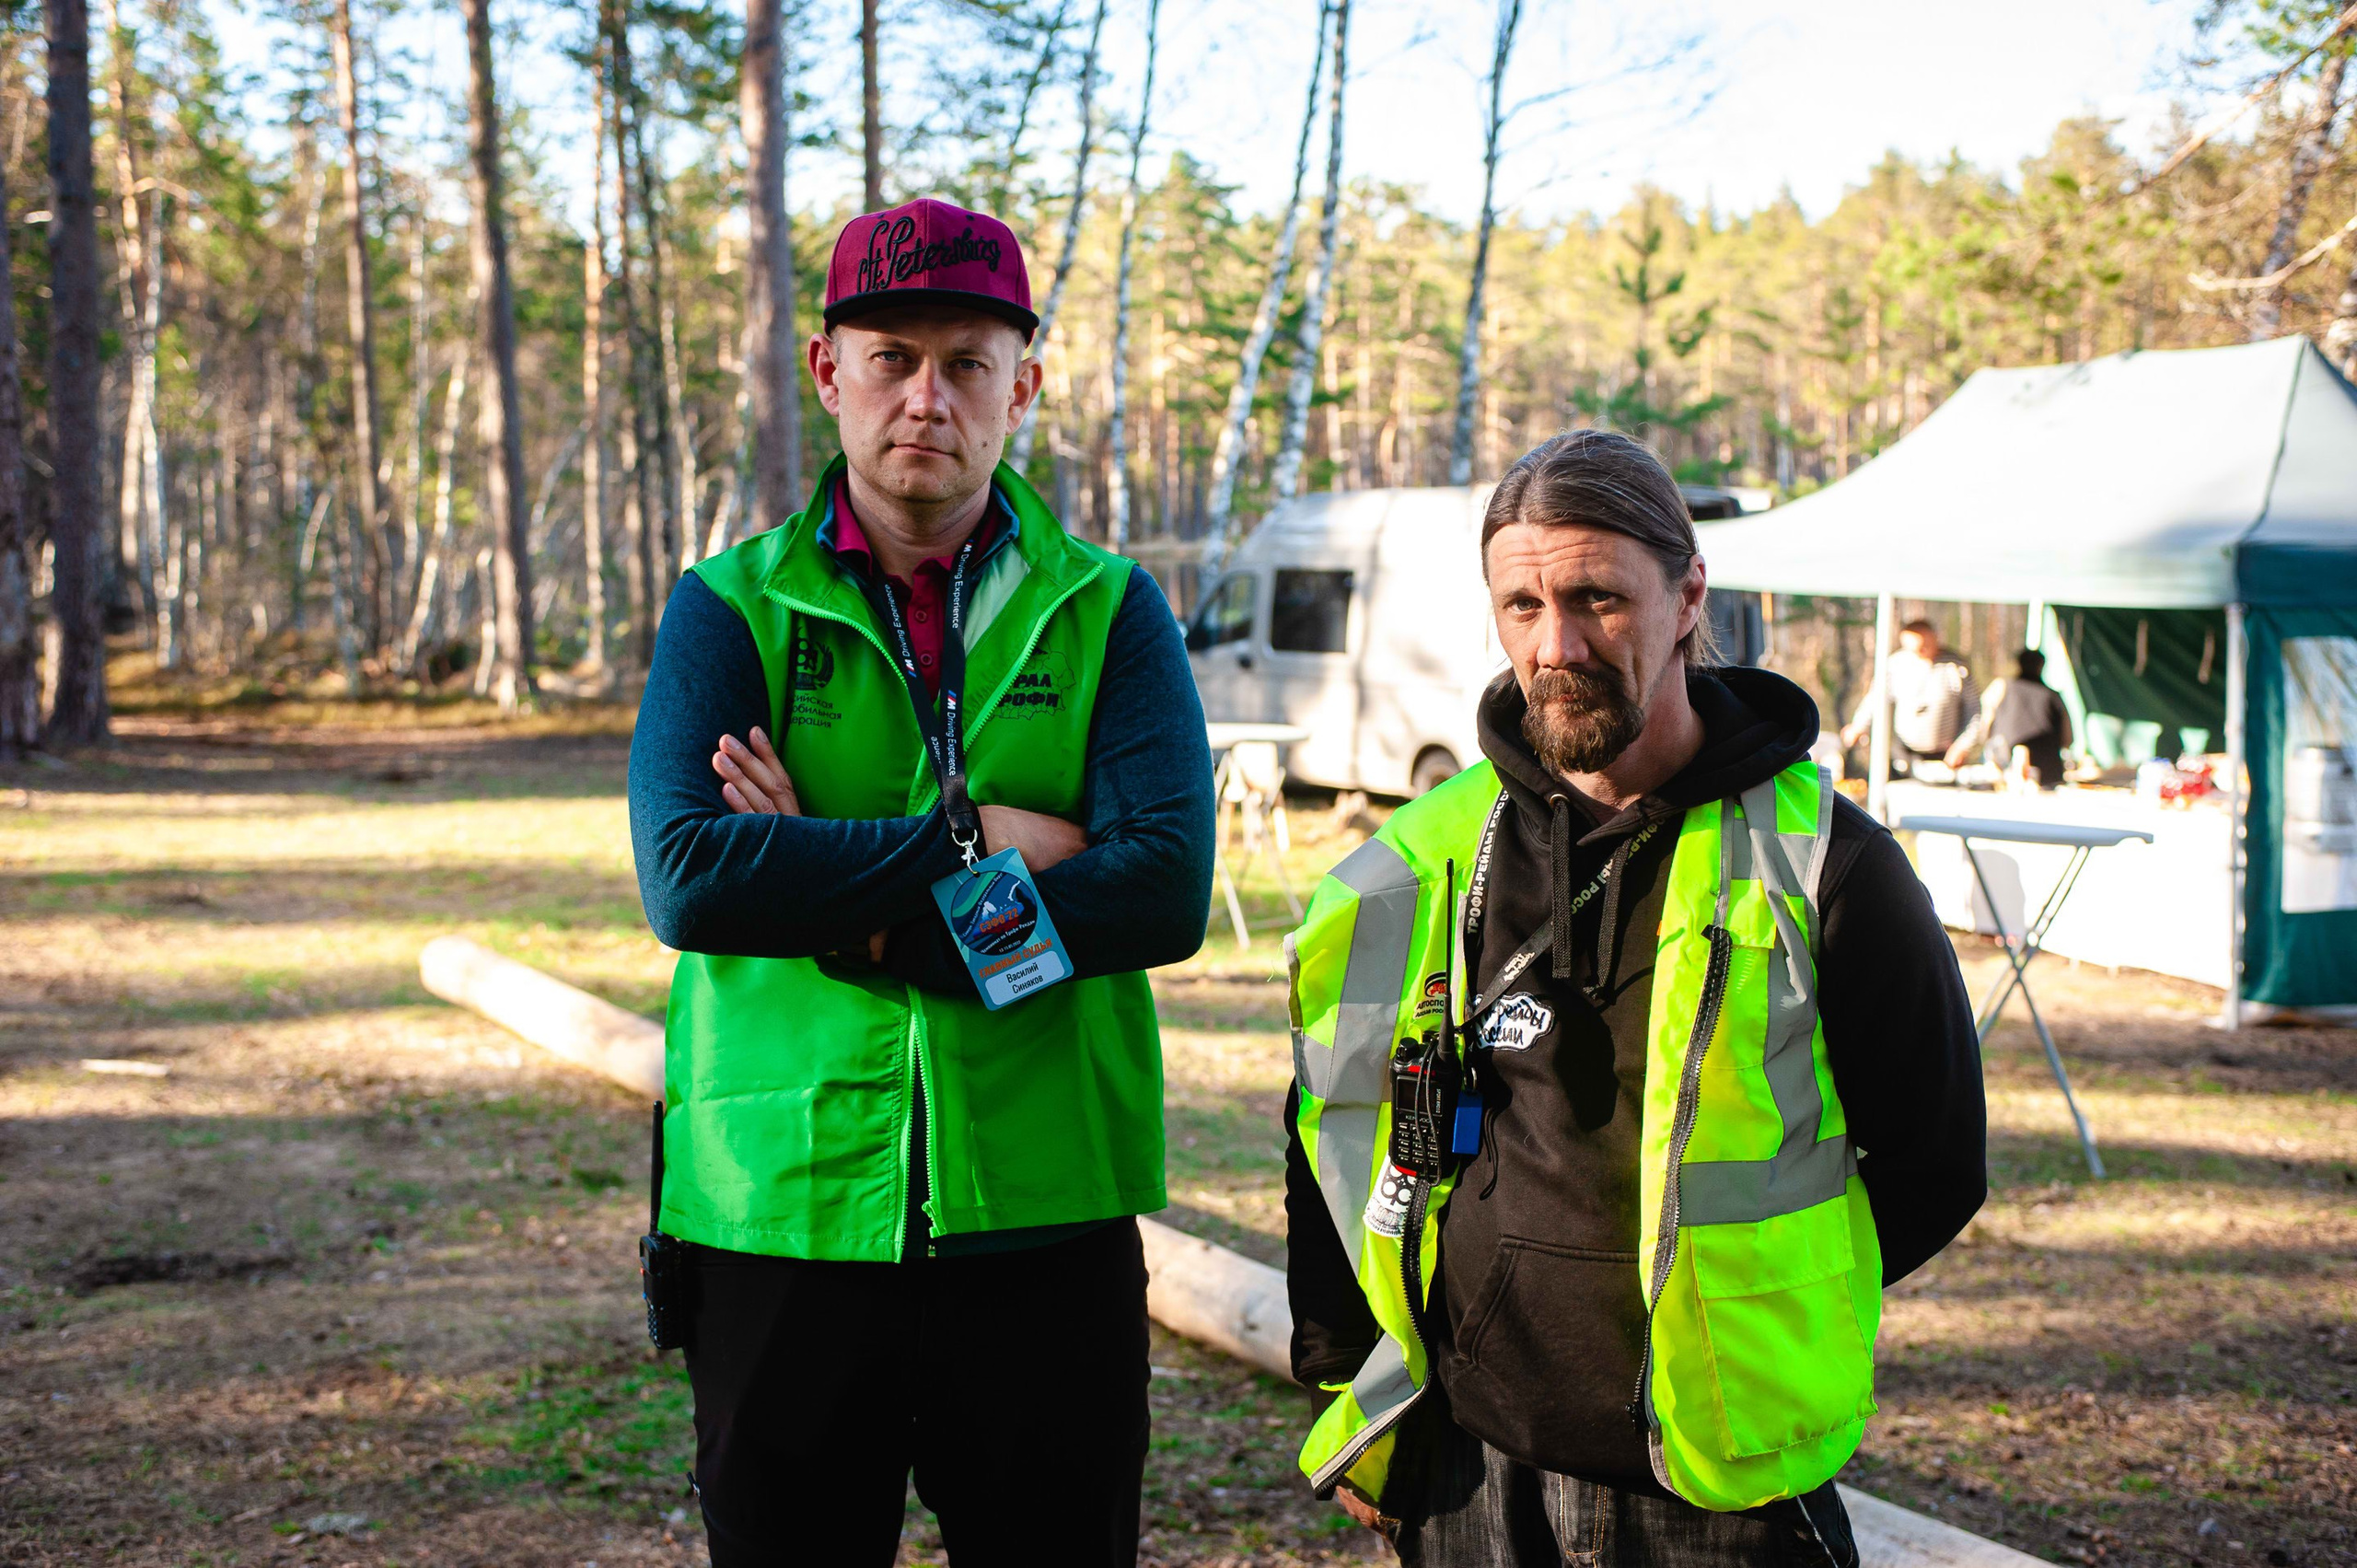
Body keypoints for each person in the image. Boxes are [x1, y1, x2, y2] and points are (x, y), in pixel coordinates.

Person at [629, 197, 1214, 1567]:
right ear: (830, 372)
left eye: (968, 359)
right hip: (779, 1206)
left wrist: (854, 915)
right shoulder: (729, 606)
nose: (927, 398)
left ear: (1028, 377)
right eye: (891, 358)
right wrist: (978, 840)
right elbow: (697, 880)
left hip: (1045, 1209)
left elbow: (1160, 892)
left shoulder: (1112, 609)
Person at [1281, 430, 1986, 1566]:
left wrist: (1747, 1304)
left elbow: (1937, 1165)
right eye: (1520, 605)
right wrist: (1348, 1382)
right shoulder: (1410, 864)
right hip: (1465, 1468)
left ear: (1687, 595)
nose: (1553, 645)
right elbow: (1334, 1124)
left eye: (1597, 597)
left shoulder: (1830, 869)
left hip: (1714, 1491)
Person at [1840, 618, 1979, 774]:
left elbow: (1974, 710)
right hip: (1904, 755)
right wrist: (1859, 725)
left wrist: (1962, 746)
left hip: (1945, 759)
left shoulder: (1956, 666)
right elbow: (1876, 698)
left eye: (1924, 647)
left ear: (1935, 638)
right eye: (1914, 649)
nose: (1920, 653)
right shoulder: (1896, 664)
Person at [1945, 647, 2073, 788]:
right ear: (2041, 665)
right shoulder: (2053, 696)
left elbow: (1984, 721)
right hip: (2046, 772)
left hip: (2005, 769)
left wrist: (1987, 747)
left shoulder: (2002, 687)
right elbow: (2067, 739)